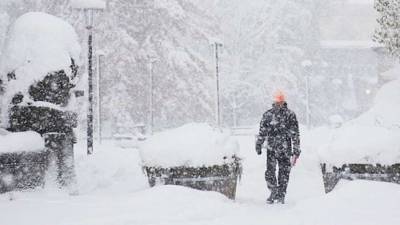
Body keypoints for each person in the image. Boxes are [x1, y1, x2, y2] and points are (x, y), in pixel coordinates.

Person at [255, 91, 300, 204]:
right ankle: (274, 191)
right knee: (271, 172)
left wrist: (296, 148)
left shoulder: (289, 115)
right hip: (274, 148)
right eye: (277, 102)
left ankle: (280, 194)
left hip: (283, 149)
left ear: (283, 102)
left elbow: (295, 133)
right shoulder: (269, 115)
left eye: (280, 102)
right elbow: (262, 132)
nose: (279, 104)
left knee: (283, 173)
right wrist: (259, 144)